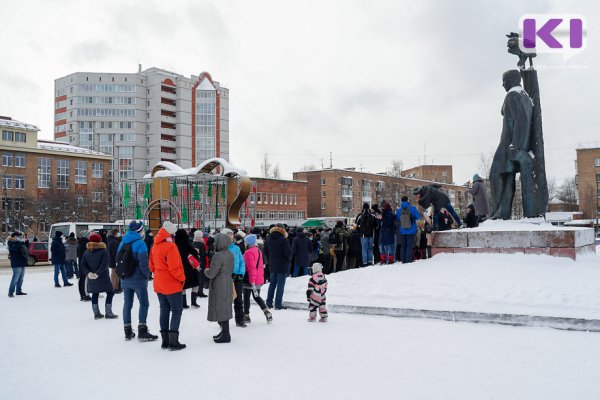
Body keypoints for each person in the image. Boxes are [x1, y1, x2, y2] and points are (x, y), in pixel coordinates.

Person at [119, 220, 158, 343]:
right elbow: (143, 263)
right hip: (138, 280)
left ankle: (127, 330)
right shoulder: (140, 244)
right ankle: (142, 330)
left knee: (127, 304)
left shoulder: (122, 242)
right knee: (144, 303)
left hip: (125, 278)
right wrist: (147, 275)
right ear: (140, 230)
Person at [149, 221, 186, 351]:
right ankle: (173, 342)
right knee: (176, 310)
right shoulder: (171, 247)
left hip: (159, 282)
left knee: (164, 309)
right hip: (171, 283)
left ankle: (165, 341)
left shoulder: (155, 246)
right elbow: (175, 267)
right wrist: (182, 279)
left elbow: (151, 266)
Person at [204, 233, 234, 343]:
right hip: (228, 282)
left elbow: (212, 274)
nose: (214, 243)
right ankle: (225, 332)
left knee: (221, 307)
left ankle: (225, 334)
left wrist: (205, 270)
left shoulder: (218, 256)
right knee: (225, 306)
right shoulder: (229, 253)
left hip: (219, 283)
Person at [80, 233, 118, 320]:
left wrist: (89, 273)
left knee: (95, 294)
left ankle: (96, 314)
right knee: (110, 292)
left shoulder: (86, 252)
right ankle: (108, 313)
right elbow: (104, 264)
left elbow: (83, 265)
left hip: (91, 278)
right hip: (103, 277)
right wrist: (97, 274)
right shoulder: (103, 251)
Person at [242, 234, 273, 324]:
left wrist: (251, 281)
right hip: (258, 278)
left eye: (245, 242)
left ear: (248, 243)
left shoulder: (248, 252)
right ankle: (266, 311)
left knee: (246, 298)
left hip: (250, 279)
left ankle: (246, 316)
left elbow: (251, 268)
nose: (244, 243)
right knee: (257, 297)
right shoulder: (258, 250)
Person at [221, 228, 246, 327]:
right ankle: (222, 320)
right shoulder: (220, 249)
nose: (230, 236)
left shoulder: (236, 248)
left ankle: (240, 320)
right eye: (228, 234)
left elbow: (241, 262)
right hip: (226, 279)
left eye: (231, 234)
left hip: (237, 279)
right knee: (225, 300)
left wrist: (240, 273)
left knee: (239, 299)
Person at [264, 224, 292, 310]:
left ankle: (268, 303)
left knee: (272, 284)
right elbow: (289, 254)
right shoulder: (284, 240)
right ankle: (278, 304)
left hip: (272, 264)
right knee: (280, 285)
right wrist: (288, 260)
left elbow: (266, 252)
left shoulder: (268, 239)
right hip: (282, 264)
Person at [174, 229, 201, 309]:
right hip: (190, 268)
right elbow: (195, 253)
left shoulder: (174, 245)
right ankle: (194, 303)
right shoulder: (187, 244)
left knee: (183, 286)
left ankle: (183, 304)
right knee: (195, 284)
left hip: (180, 268)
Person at [397, 195, 421, 264]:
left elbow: (398, 218)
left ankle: (403, 260)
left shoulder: (399, 210)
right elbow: (418, 217)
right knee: (409, 246)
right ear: (407, 200)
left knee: (403, 245)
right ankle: (408, 260)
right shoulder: (412, 208)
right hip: (411, 230)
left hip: (402, 230)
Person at [8, 231, 28, 297]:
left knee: (21, 278)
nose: (19, 237)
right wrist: (21, 242)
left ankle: (18, 291)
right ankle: (10, 292)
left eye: (20, 236)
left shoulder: (19, 243)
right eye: (18, 236)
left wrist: (26, 242)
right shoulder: (10, 242)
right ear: (14, 236)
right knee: (15, 278)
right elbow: (15, 249)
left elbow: (25, 249)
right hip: (16, 263)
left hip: (22, 262)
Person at [192, 230, 208, 298]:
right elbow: (204, 254)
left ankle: (195, 292)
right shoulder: (202, 244)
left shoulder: (193, 243)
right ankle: (200, 292)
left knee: (196, 277)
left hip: (194, 263)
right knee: (201, 277)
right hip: (201, 262)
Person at [77, 231, 91, 301]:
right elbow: (85, 256)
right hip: (84, 264)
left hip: (81, 264)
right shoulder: (85, 244)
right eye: (89, 235)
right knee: (84, 279)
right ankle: (85, 295)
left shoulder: (81, 243)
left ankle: (82, 294)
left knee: (82, 279)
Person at [107, 229, 122, 293]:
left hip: (112, 260)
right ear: (115, 234)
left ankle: (116, 287)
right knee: (114, 275)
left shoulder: (112, 240)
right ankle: (113, 288)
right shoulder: (114, 242)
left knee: (116, 275)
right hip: (114, 261)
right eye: (118, 233)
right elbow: (116, 252)